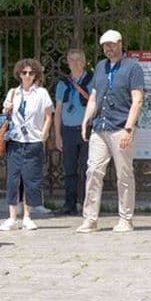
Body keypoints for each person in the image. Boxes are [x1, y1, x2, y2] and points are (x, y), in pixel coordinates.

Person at [77, 29, 145, 233]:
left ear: (121, 44)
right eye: (106, 45)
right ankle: (90, 219)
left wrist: (128, 128)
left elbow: (138, 100)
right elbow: (94, 96)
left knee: (124, 174)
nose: (109, 48)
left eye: (112, 44)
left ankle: (125, 218)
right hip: (100, 126)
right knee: (93, 171)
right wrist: (85, 120)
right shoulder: (100, 67)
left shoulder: (132, 67)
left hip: (121, 127)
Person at [0, 59, 53, 231]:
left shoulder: (42, 93)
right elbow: (5, 113)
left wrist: (43, 135)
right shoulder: (13, 92)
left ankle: (27, 216)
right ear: (19, 74)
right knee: (13, 179)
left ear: (36, 74)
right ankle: (12, 217)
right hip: (15, 141)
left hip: (33, 141)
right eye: (24, 73)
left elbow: (48, 115)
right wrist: (6, 108)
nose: (27, 76)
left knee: (31, 178)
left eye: (30, 73)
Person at [54, 49, 93, 215]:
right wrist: (57, 135)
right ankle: (69, 204)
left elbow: (94, 101)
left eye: (78, 60)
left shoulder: (91, 80)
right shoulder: (63, 83)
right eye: (72, 60)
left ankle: (86, 204)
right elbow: (58, 110)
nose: (75, 63)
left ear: (84, 62)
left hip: (86, 130)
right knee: (69, 169)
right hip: (68, 131)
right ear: (67, 63)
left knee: (87, 168)